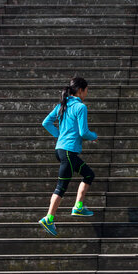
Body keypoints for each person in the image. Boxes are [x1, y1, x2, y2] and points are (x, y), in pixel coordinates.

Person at [38, 76, 98, 236]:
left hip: (61, 150)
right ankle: (48, 218)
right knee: (61, 187)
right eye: (86, 91)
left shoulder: (62, 105)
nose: (86, 94)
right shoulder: (80, 107)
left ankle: (78, 206)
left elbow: (46, 123)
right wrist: (94, 135)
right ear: (80, 90)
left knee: (88, 174)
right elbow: (83, 132)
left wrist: (60, 136)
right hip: (69, 151)